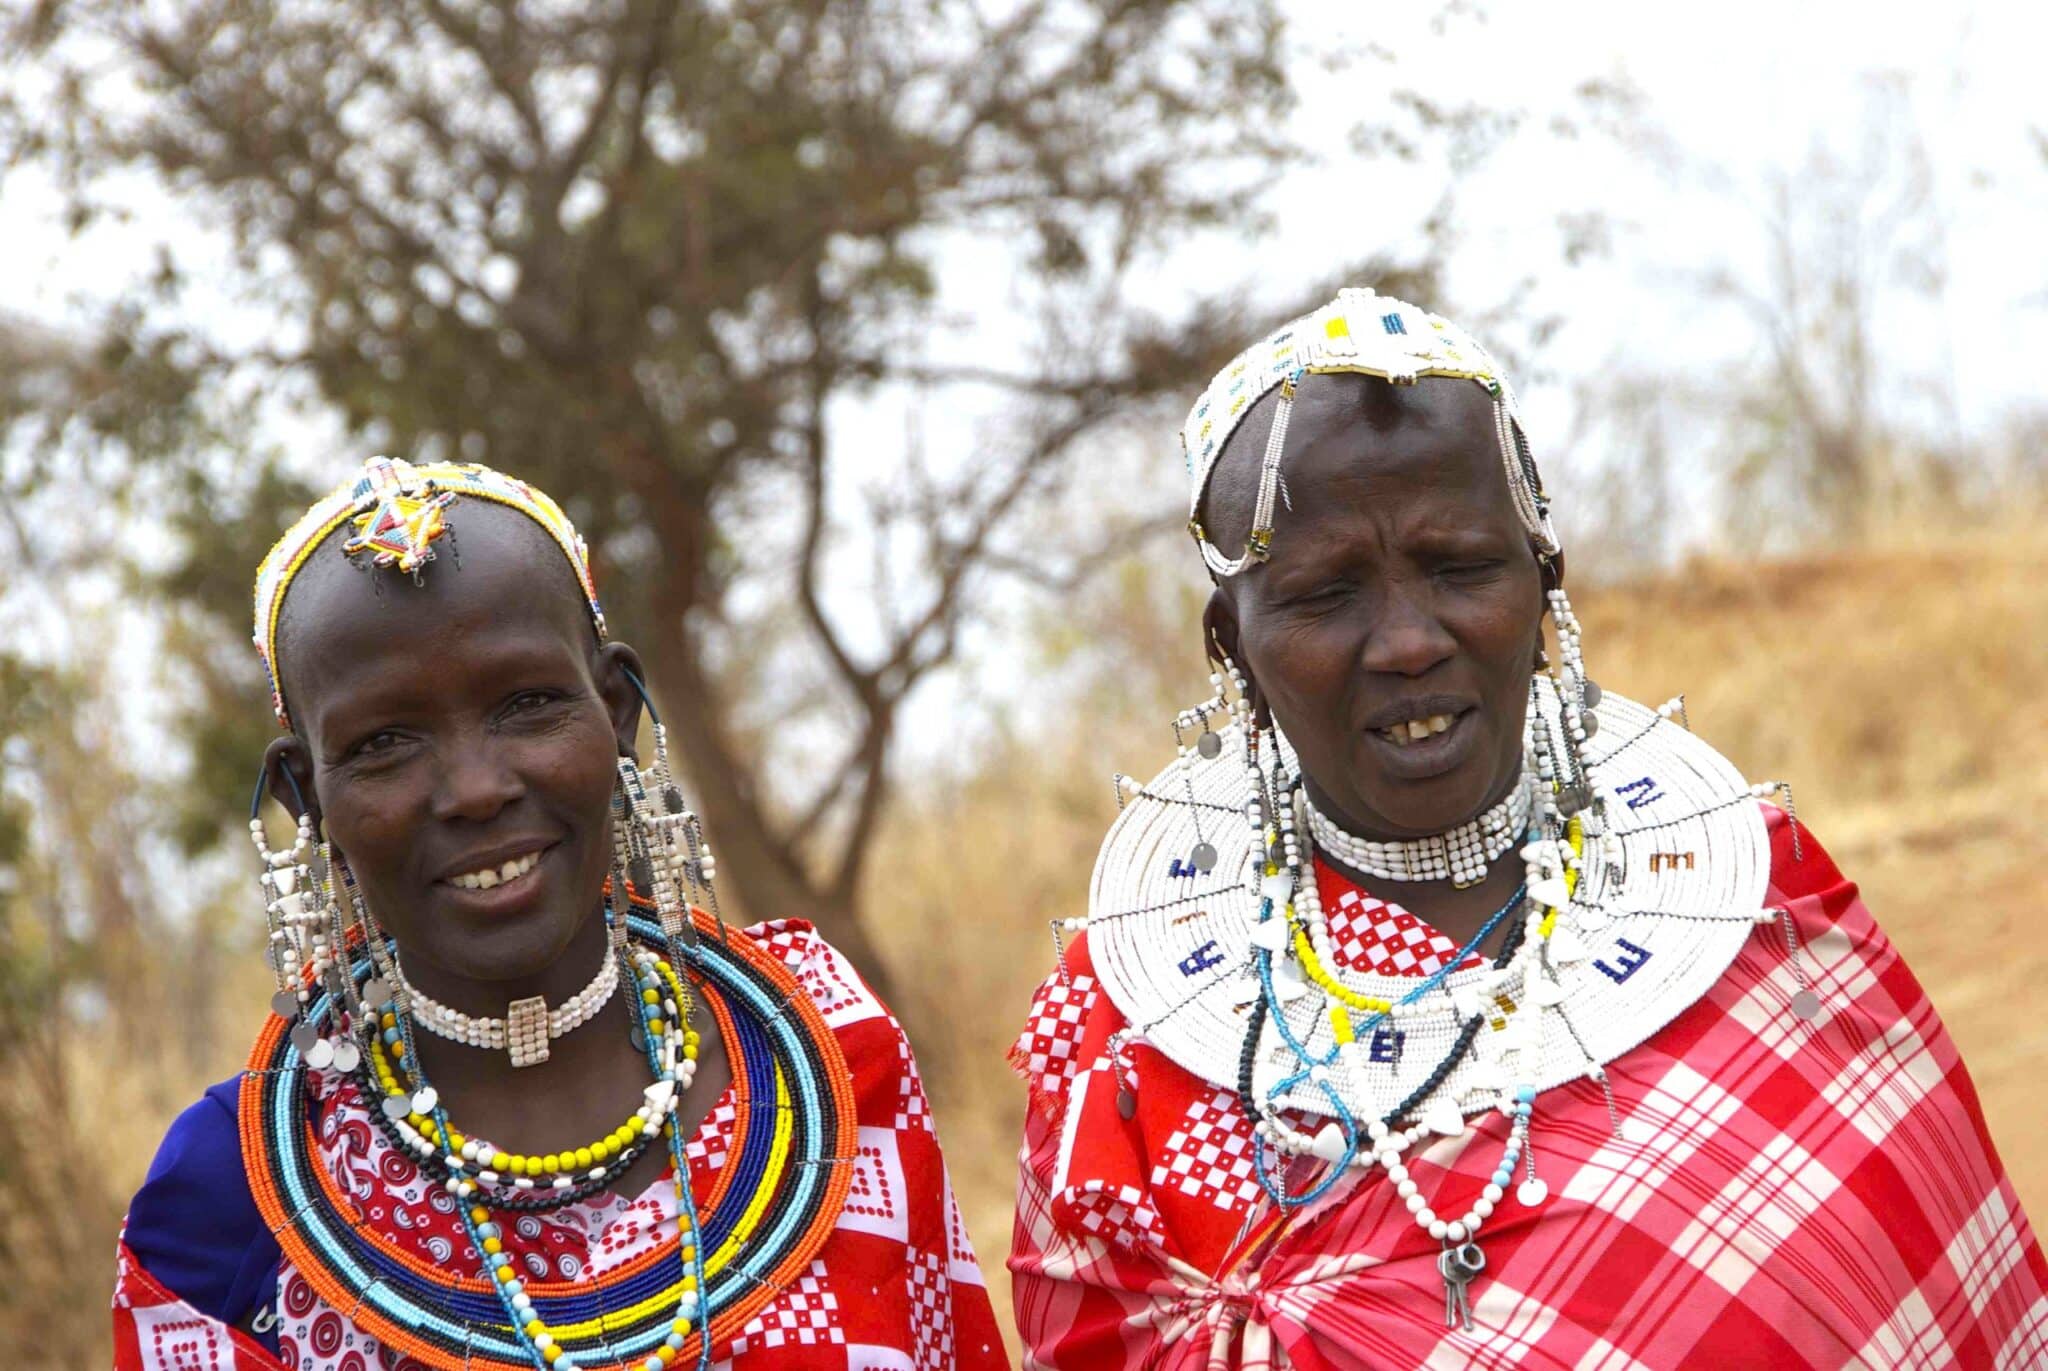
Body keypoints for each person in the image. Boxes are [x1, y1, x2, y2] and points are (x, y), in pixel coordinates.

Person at [1007, 289, 2048, 1367]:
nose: (1408, 642)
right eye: (1324, 594)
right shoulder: (1124, 1052)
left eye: (1459, 566)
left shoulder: (1756, 903)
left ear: (1543, 578)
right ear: (1231, 646)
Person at [115, 458, 1005, 1371]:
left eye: (528, 703)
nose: (475, 789)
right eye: (383, 743)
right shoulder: (231, 1201)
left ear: (615, 711)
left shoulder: (826, 1054)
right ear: (307, 797)